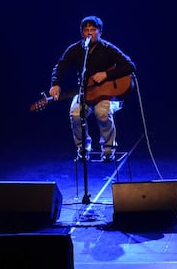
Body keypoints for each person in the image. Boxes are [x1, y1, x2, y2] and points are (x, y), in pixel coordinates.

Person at [49, 15, 136, 162]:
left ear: (100, 32)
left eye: (93, 29)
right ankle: (83, 149)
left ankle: (108, 149)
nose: (89, 32)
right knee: (76, 113)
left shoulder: (108, 49)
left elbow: (130, 66)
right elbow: (61, 66)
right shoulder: (76, 49)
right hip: (85, 92)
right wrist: (55, 83)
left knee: (102, 112)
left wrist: (106, 74)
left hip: (106, 95)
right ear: (82, 33)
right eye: (86, 30)